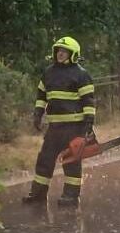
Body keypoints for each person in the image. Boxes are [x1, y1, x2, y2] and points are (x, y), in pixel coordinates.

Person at [24, 35, 95, 208]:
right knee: (45, 160)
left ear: (73, 54)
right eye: (59, 51)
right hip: (54, 127)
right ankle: (38, 194)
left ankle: (70, 196)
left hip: (74, 127)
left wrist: (89, 123)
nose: (60, 54)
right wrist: (37, 114)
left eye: (64, 51)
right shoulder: (48, 73)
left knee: (71, 162)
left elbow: (88, 100)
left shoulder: (81, 75)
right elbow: (41, 96)